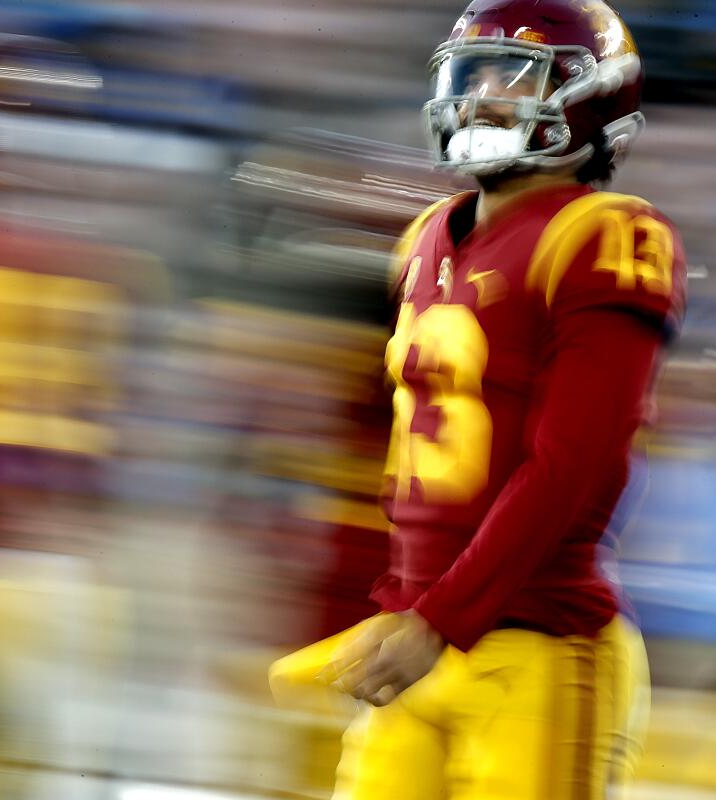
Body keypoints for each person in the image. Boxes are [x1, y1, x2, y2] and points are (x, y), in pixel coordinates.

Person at [270, 0, 686, 797]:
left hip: (535, 648)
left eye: (509, 76)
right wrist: (404, 611)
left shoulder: (605, 233)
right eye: (470, 75)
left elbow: (572, 463)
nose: (478, 97)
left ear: (589, 96)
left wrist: (439, 620)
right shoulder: (426, 235)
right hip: (419, 640)